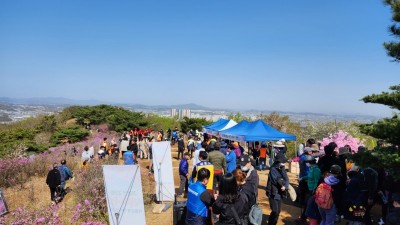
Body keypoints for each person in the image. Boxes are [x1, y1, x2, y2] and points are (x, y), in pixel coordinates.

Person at [266, 153, 289, 225]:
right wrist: (283, 184)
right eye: (282, 162)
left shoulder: (282, 168)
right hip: (273, 192)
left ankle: (273, 222)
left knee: (278, 211)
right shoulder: (273, 169)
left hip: (280, 192)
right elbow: (275, 180)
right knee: (275, 210)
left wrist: (285, 186)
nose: (284, 163)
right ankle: (271, 223)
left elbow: (286, 179)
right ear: (278, 162)